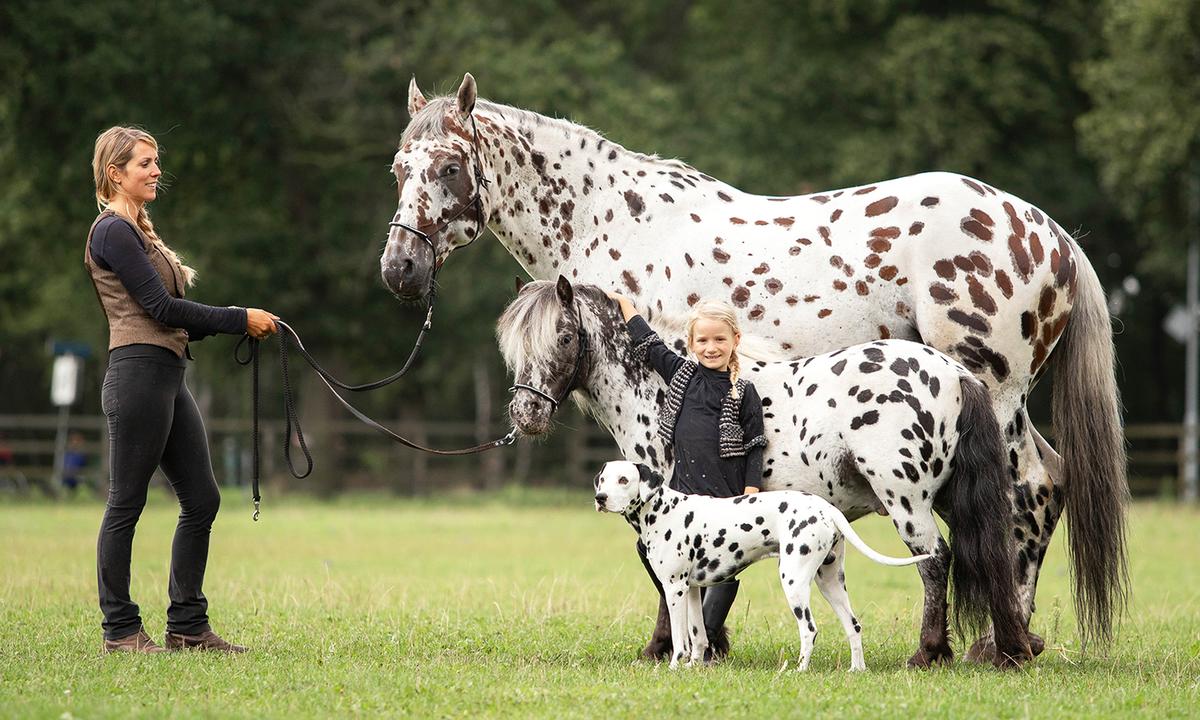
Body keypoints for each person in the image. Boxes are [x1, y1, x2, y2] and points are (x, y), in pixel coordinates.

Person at [86, 126, 279, 653]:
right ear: (115, 173)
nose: (155, 171)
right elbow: (159, 310)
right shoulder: (112, 232)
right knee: (125, 503)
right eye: (144, 163)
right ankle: (120, 630)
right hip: (138, 377)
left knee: (202, 498)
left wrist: (236, 325)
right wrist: (239, 318)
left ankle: (188, 626)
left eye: (155, 162)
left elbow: (171, 319)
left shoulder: (140, 234)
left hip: (166, 375)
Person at [607, 292, 765, 662]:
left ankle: (709, 640)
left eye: (720, 340)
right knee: (648, 548)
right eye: (703, 340)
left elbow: (756, 445)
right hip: (682, 493)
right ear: (691, 343)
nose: (712, 348)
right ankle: (685, 618)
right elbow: (648, 344)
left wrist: (751, 493)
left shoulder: (743, 391)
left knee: (724, 568)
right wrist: (624, 304)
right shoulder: (682, 375)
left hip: (725, 495)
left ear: (735, 341)